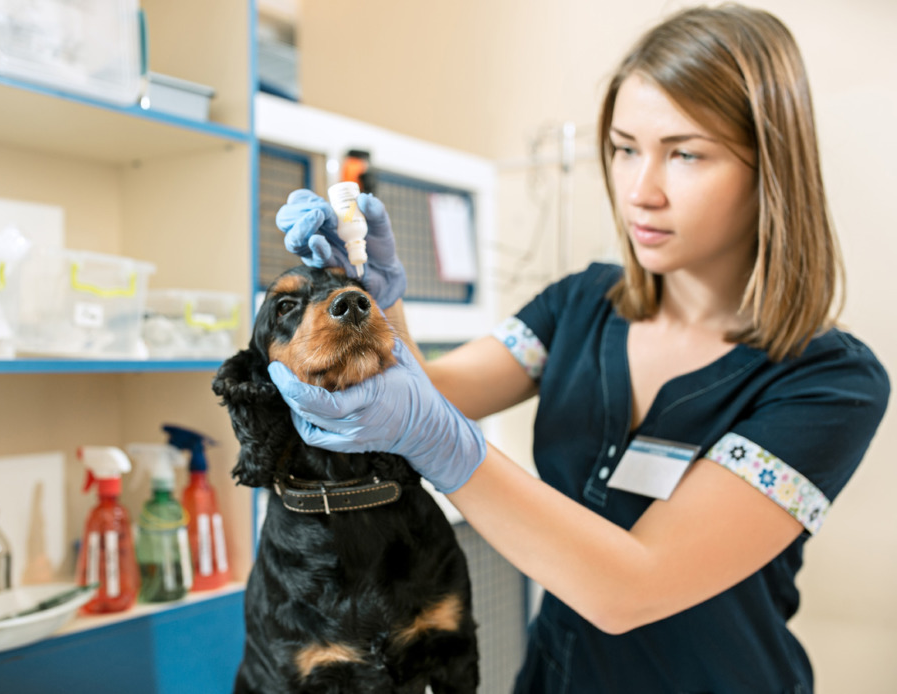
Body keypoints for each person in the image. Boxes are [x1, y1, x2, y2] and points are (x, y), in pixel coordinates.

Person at [269, 4, 890, 692]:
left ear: (768, 167)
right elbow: (430, 393)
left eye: (685, 153)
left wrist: (444, 446)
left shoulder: (831, 382)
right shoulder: (579, 307)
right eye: (625, 148)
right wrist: (377, 309)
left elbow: (632, 587)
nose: (639, 191)